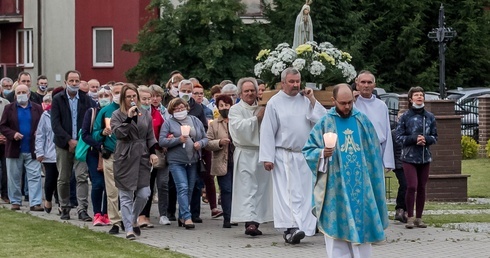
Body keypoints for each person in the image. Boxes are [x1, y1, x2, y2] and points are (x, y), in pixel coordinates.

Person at [302, 83, 389, 257]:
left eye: (350, 102)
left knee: (362, 238)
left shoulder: (362, 121)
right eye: (343, 103)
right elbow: (308, 150)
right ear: (333, 100)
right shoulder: (325, 122)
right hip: (336, 190)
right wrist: (322, 153)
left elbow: (373, 154)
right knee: (337, 241)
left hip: (361, 190)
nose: (347, 107)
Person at [259, 67, 326, 244]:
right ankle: (290, 228)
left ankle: (303, 226)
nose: (296, 85)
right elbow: (267, 130)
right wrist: (267, 156)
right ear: (283, 83)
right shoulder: (275, 102)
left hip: (303, 154)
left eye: (298, 81)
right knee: (287, 193)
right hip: (283, 155)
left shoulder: (305, 100)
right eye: (292, 82)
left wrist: (312, 99)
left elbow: (321, 121)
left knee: (303, 193)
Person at [111, 84, 159, 240]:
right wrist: (129, 118)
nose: (132, 99)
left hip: (142, 155)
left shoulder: (145, 114)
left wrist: (153, 153)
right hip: (125, 155)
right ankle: (129, 229)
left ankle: (132, 219)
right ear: (123, 99)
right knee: (125, 195)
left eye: (134, 96)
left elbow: (150, 136)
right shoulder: (117, 114)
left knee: (144, 193)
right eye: (128, 97)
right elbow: (119, 133)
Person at [229, 77, 273, 236]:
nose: (249, 93)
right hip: (245, 152)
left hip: (261, 152)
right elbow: (238, 127)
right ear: (240, 93)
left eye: (252, 90)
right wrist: (257, 119)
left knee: (261, 188)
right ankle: (249, 222)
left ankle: (257, 220)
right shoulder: (235, 110)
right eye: (246, 91)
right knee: (247, 188)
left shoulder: (263, 107)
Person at [51, 70, 95, 221]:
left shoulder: (86, 99)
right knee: (63, 178)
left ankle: (82, 209)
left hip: (82, 144)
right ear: (66, 82)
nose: (74, 84)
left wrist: (81, 141)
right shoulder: (58, 99)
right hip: (64, 144)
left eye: (77, 81)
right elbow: (55, 124)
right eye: (71, 81)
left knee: (81, 177)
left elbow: (90, 122)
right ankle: (64, 206)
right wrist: (69, 140)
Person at [159, 98, 208, 230]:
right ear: (172, 111)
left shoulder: (195, 121)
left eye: (182, 108)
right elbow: (162, 141)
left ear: (186, 108)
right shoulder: (169, 123)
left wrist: (200, 144)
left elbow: (205, 137)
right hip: (176, 161)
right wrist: (177, 140)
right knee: (182, 187)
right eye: (176, 109)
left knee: (190, 189)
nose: (180, 110)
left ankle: (182, 215)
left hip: (192, 160)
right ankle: (187, 217)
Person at [395, 86, 437, 229]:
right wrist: (414, 139)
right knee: (411, 186)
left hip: (424, 157)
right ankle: (410, 217)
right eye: (416, 95)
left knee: (421, 187)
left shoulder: (430, 117)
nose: (419, 97)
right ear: (410, 99)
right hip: (409, 157)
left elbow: (435, 136)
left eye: (421, 95)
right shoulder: (406, 116)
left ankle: (419, 217)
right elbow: (399, 137)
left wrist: (426, 139)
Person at [0, 84, 44, 211]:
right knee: (14, 177)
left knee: (35, 176)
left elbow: (43, 124)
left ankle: (35, 203)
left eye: (24, 92)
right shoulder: (9, 108)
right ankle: (15, 201)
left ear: (29, 94)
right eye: (18, 92)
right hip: (14, 148)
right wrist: (13, 134)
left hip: (32, 147)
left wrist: (38, 132)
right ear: (15, 95)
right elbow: (2, 126)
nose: (21, 94)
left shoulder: (36, 108)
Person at [92, 82, 125, 234]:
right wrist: (103, 133)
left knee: (127, 190)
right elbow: (95, 133)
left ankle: (127, 218)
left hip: (128, 156)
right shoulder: (105, 111)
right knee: (112, 190)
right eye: (116, 92)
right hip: (110, 154)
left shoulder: (131, 111)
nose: (118, 95)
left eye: (121, 92)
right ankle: (115, 221)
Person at [82, 86, 112, 226]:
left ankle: (107, 213)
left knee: (109, 185)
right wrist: (98, 144)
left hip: (110, 152)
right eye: (101, 95)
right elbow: (85, 134)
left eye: (107, 95)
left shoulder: (114, 112)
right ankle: (97, 213)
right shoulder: (91, 112)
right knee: (97, 183)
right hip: (94, 153)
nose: (104, 98)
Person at [354, 70, 395, 170]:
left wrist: (388, 161)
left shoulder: (381, 105)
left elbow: (387, 132)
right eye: (363, 82)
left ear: (374, 85)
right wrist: (352, 101)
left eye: (369, 82)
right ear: (357, 84)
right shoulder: (351, 103)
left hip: (376, 151)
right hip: (356, 150)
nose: (366, 85)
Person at [205, 94, 235, 228]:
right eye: (221, 105)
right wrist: (219, 142)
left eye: (226, 105)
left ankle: (236, 216)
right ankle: (227, 218)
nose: (224, 108)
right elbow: (207, 142)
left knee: (236, 190)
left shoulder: (236, 121)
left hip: (237, 160)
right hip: (222, 161)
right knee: (226, 189)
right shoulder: (214, 124)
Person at [35, 94, 60, 213]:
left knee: (63, 179)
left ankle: (61, 203)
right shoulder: (45, 116)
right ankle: (48, 198)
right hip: (49, 154)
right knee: (51, 179)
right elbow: (40, 135)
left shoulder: (63, 113)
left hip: (62, 151)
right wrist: (39, 151)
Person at [392, 118, 407, 223]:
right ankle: (400, 208)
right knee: (404, 184)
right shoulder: (394, 133)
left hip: (410, 163)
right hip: (399, 164)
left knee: (410, 186)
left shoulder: (410, 132)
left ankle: (406, 210)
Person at [0, 80, 11, 204]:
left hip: (5, 141)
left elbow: (9, 122)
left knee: (6, 169)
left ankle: (5, 194)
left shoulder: (6, 103)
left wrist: (5, 136)